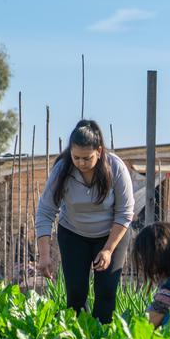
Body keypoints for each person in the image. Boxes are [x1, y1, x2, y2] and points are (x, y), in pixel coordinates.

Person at [35, 120, 134, 324]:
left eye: (86, 158)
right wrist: (44, 256)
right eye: (76, 157)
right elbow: (45, 211)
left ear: (98, 151)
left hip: (111, 235)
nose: (80, 163)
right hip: (73, 234)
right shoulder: (62, 170)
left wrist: (108, 250)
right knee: (75, 294)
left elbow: (125, 213)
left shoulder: (115, 167)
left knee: (106, 293)